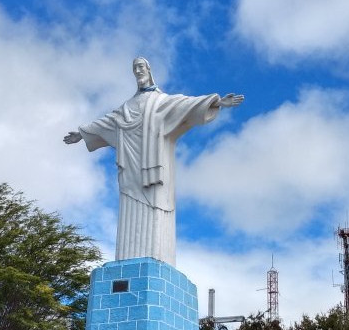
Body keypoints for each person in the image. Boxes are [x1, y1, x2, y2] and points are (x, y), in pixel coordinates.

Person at [64, 58, 243, 265]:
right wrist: (81, 133)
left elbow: (186, 104)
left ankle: (156, 259)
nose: (137, 70)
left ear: (149, 70)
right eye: (134, 68)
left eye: (141, 66)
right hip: (131, 170)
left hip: (155, 170)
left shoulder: (160, 102)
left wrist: (217, 102)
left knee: (158, 213)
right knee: (129, 212)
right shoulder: (127, 107)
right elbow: (107, 122)